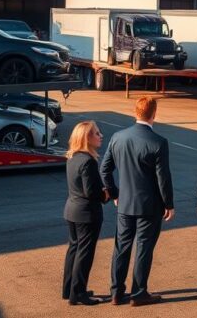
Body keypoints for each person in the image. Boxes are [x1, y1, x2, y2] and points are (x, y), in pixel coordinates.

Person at [100, 96, 176, 307]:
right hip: (149, 207)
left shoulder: (118, 137)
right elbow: (163, 178)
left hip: (125, 204)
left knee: (121, 247)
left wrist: (114, 194)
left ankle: (116, 292)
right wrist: (169, 204)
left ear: (135, 112)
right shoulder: (158, 142)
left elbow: (104, 168)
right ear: (154, 114)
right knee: (144, 248)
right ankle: (139, 292)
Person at [62, 121, 108, 306]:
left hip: (72, 210)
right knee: (85, 253)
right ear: (87, 138)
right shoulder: (88, 161)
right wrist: (106, 194)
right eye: (97, 133)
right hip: (86, 214)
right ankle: (79, 293)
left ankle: (69, 290)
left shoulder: (72, 157)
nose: (101, 136)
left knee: (73, 249)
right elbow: (92, 192)